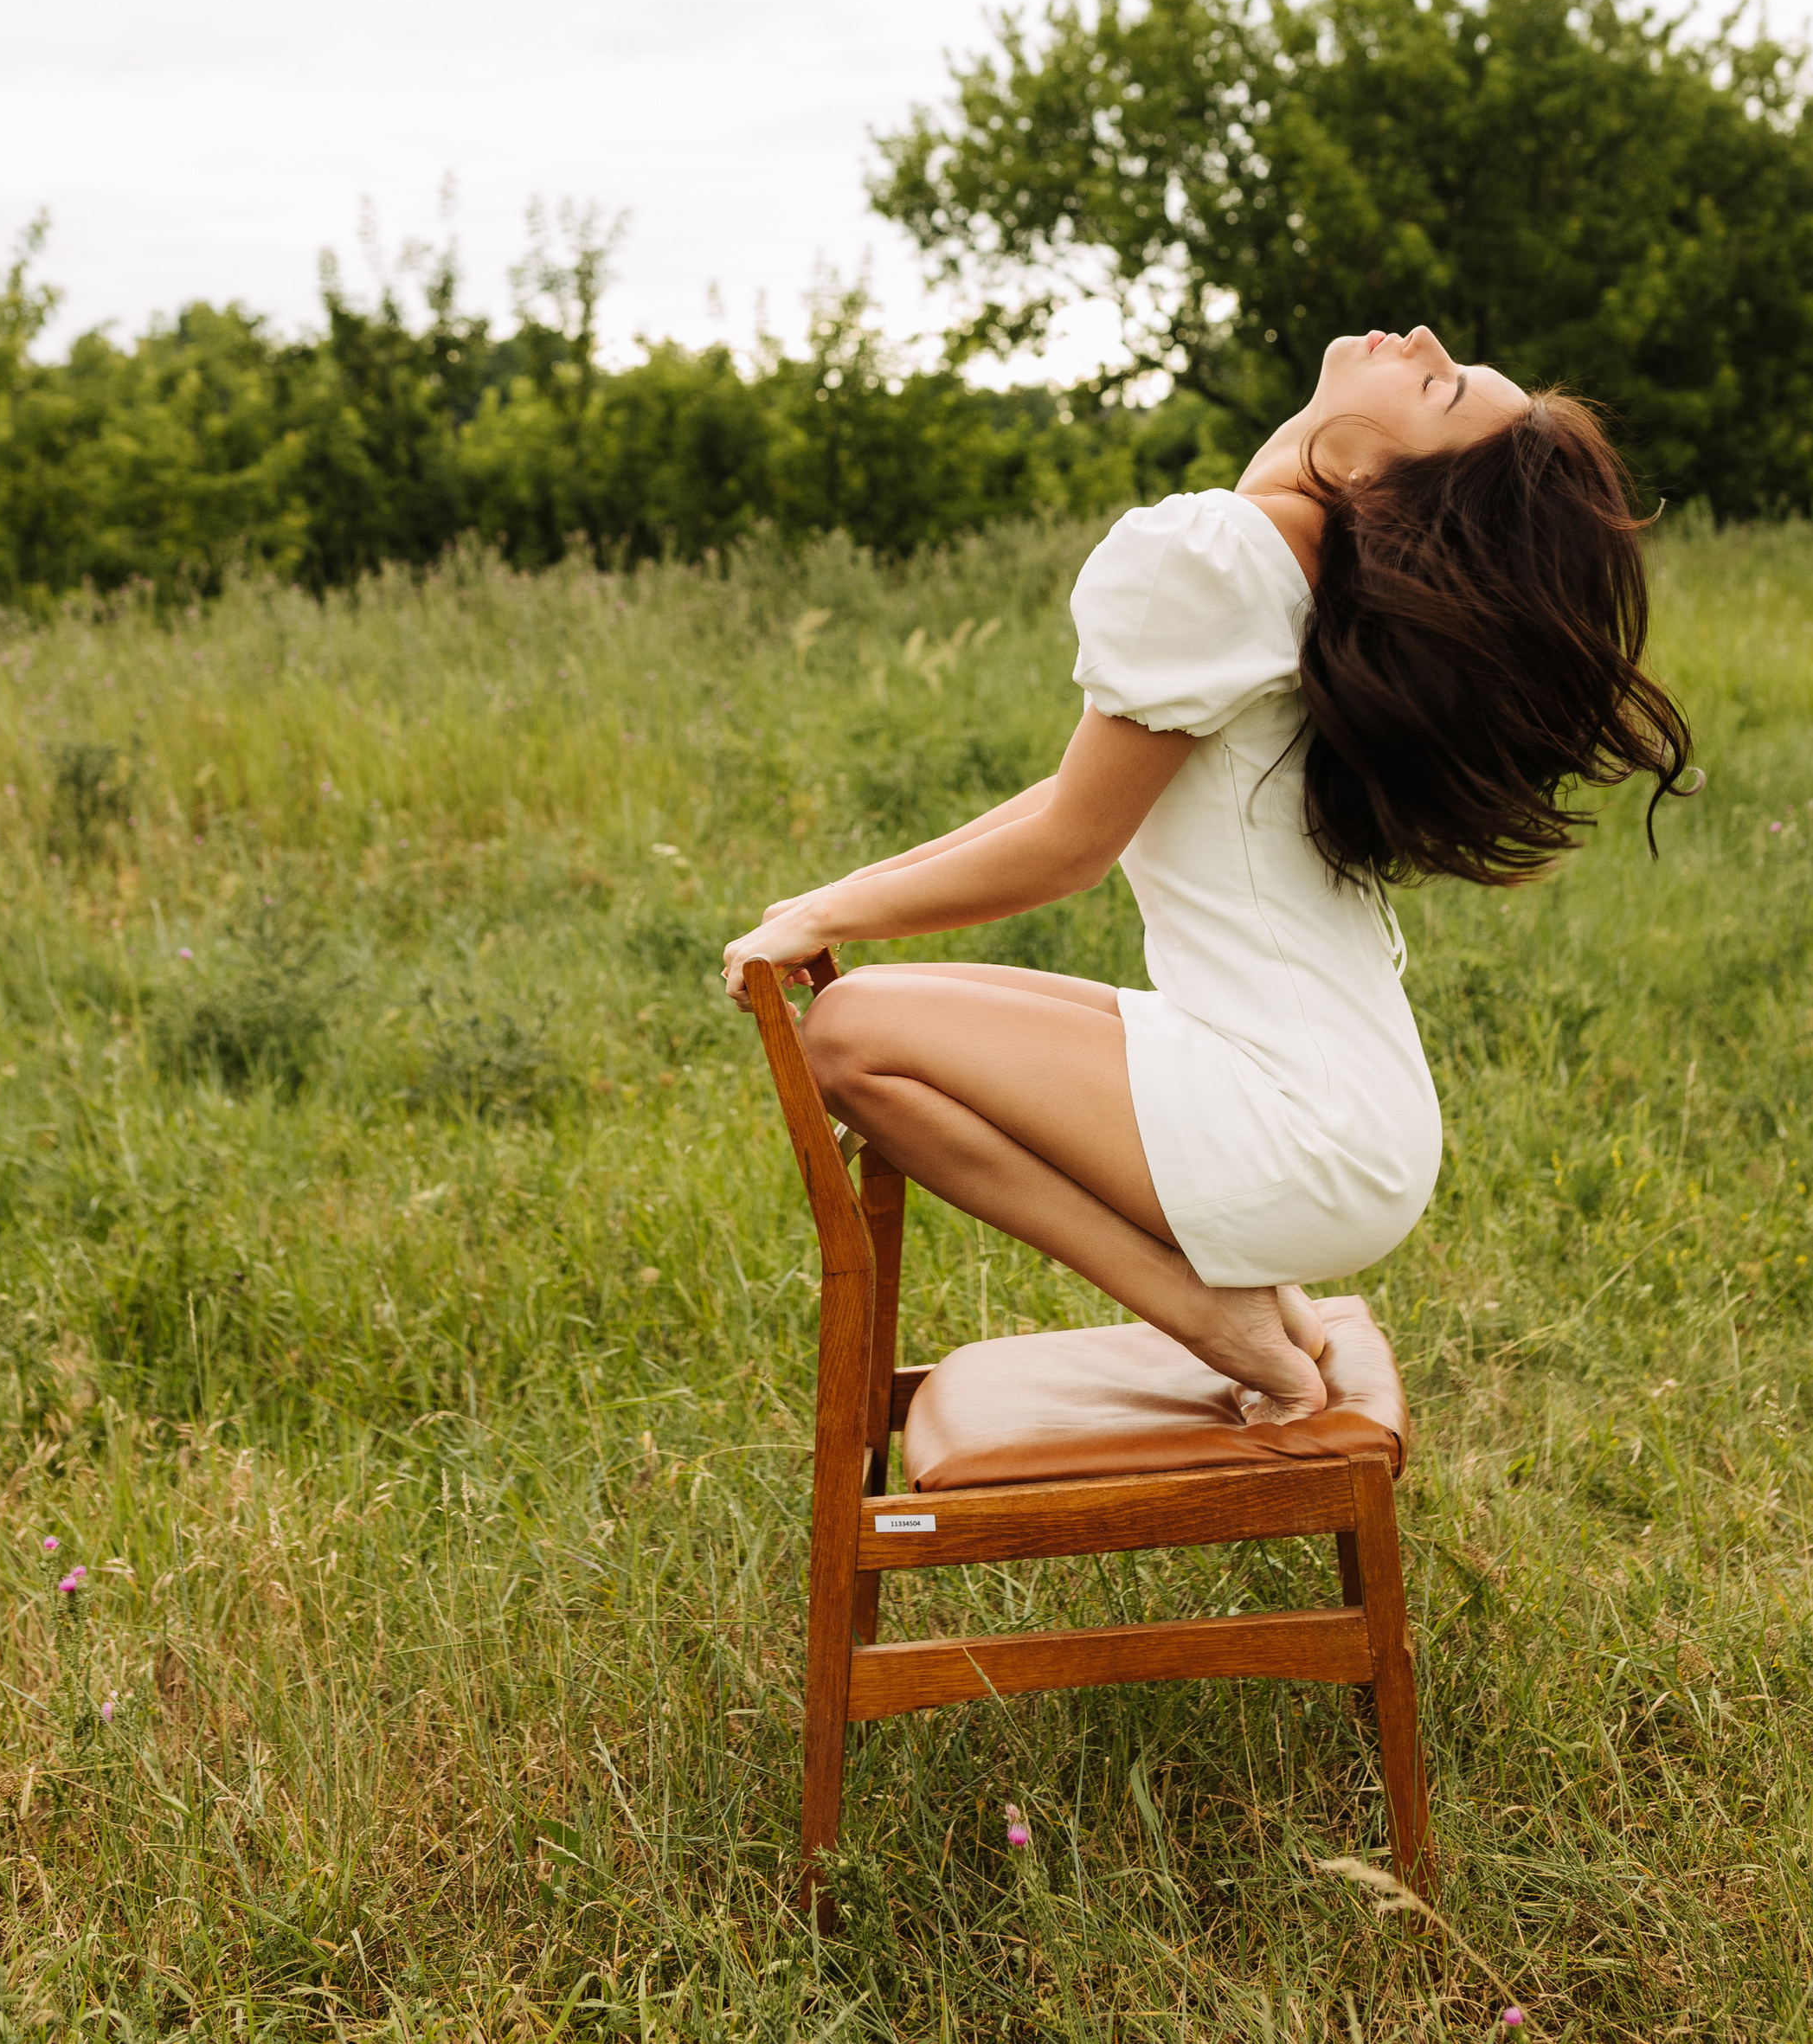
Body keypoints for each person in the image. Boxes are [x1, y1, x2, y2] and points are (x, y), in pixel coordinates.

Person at [722, 325, 1693, 1422]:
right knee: (866, 1013)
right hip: (1326, 1109)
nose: (1420, 338)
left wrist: (823, 911)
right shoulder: (1280, 565)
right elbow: (1074, 796)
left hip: (1297, 1125)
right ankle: (1237, 1301)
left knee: (850, 1041)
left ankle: (1205, 1309)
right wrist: (819, 908)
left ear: (1375, 475)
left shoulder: (1233, 552)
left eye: (1436, 383)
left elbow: (1069, 848)